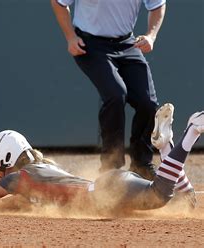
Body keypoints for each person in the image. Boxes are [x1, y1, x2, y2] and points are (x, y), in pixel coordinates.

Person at [0, 104, 200, 212]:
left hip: (108, 189)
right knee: (186, 202)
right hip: (110, 188)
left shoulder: (20, 177)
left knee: (159, 195)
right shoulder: (42, 170)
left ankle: (193, 130)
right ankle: (165, 145)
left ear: (8, 157)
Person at [50, 0, 167, 180]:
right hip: (90, 44)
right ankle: (111, 168)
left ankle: (141, 164)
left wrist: (151, 36)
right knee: (115, 94)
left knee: (148, 104)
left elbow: (158, 5)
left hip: (127, 43)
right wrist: (70, 37)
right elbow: (59, 3)